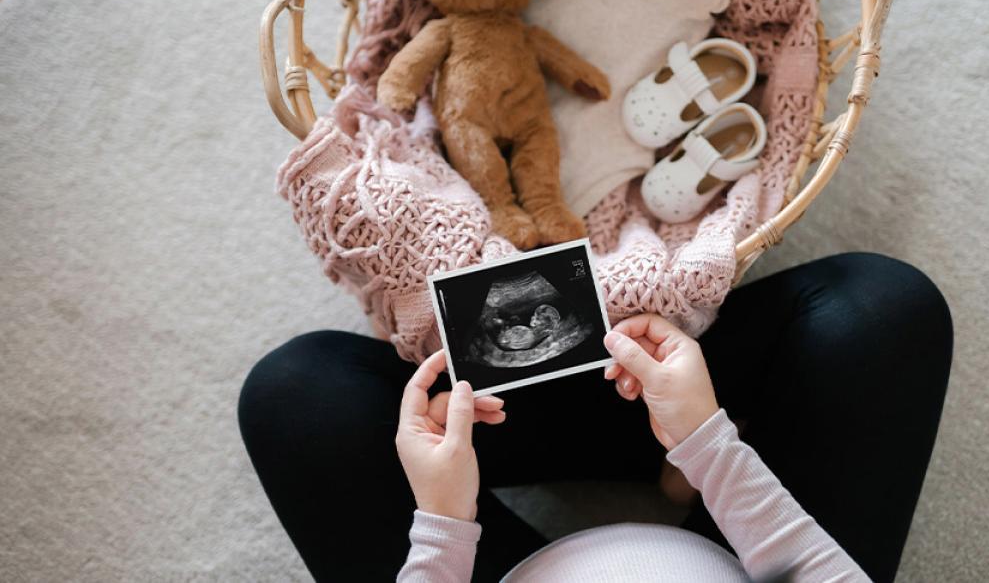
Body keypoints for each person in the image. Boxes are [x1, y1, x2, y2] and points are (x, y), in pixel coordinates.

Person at [239, 253, 952, 582]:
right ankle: (668, 461)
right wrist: (708, 446)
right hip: (745, 553)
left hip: (494, 561)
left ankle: (640, 434)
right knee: (881, 310)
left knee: (295, 395)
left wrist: (444, 520)